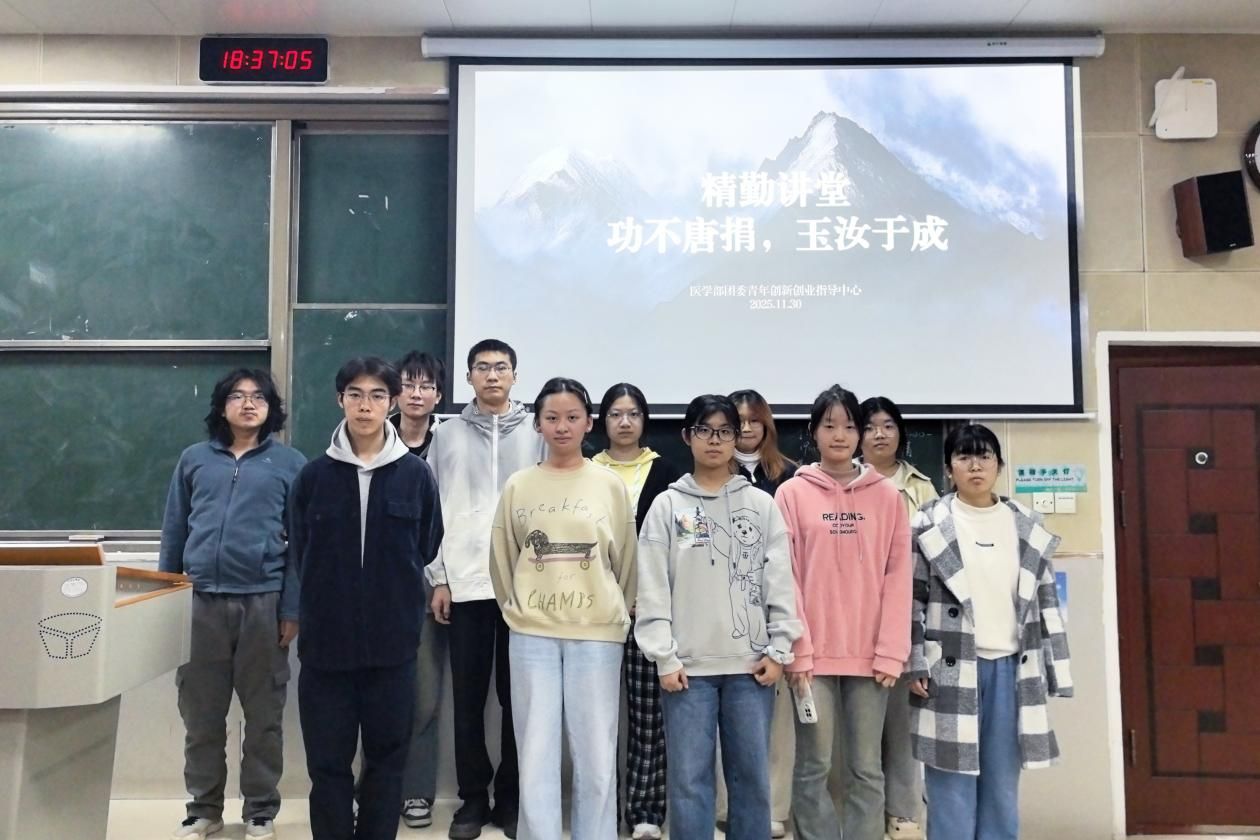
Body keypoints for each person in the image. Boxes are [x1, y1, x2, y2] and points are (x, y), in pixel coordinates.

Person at [287, 356, 444, 840]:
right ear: (341, 400)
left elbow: (428, 544)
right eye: (355, 394)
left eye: (377, 396)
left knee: (386, 763)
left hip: (392, 650)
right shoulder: (313, 478)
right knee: (327, 765)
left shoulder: (415, 476)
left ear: (391, 403)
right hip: (326, 650)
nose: (365, 405)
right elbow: (300, 550)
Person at [634, 394, 801, 840]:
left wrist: (780, 649)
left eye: (724, 431)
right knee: (689, 781)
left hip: (751, 668)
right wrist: (664, 656)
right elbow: (652, 587)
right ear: (687, 436)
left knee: (751, 779)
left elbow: (780, 580)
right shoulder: (668, 506)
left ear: (736, 437)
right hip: (687, 670)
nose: (715, 440)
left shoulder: (761, 505)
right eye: (704, 430)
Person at [160, 368, 307, 840]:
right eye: (237, 396)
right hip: (200, 603)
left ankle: (260, 810)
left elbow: (301, 547)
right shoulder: (194, 460)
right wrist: (168, 597)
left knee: (264, 719)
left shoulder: (291, 464)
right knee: (201, 717)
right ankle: (203, 808)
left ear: (270, 408)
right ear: (221, 406)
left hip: (263, 603)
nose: (248, 404)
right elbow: (174, 531)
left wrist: (291, 609)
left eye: (258, 397)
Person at [907, 424, 1073, 840]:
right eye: (964, 457)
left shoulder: (1026, 524)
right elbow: (910, 598)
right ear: (949, 469)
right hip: (949, 667)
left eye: (984, 456)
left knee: (1002, 780)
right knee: (949, 780)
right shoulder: (928, 522)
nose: (975, 466)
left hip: (1011, 668)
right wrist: (914, 662)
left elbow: (1046, 600)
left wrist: (1057, 669)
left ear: (999, 465)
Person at [489, 377, 638, 840]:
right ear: (538, 424)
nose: (562, 426)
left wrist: (613, 613)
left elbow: (627, 563)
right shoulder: (519, 485)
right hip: (531, 634)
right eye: (551, 417)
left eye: (572, 417)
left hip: (597, 635)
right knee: (535, 750)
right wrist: (520, 610)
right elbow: (503, 560)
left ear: (589, 423)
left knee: (596, 753)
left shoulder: (609, 485)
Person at [776, 384, 911, 840]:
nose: (840, 435)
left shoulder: (888, 497)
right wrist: (797, 651)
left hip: (872, 658)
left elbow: (898, 577)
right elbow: (785, 576)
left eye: (850, 426)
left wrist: (891, 651)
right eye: (829, 425)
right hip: (811, 658)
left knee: (866, 769)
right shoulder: (791, 494)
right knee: (812, 766)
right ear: (813, 431)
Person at [426, 339, 543, 840]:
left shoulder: (538, 433)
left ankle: (512, 799)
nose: (492, 375)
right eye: (482, 368)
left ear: (515, 375)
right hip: (465, 585)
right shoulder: (446, 434)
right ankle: (472, 799)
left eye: (501, 367)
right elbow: (432, 509)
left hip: (526, 590)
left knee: (519, 700)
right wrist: (439, 577)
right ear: (468, 376)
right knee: (468, 701)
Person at [591, 383, 682, 840]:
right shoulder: (586, 470)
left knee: (649, 719)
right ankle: (600, 811)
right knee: (598, 719)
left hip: (649, 611)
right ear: (602, 421)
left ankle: (646, 811)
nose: (624, 422)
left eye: (632, 413)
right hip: (595, 613)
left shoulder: (668, 472)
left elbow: (682, 545)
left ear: (644, 420)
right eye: (615, 414)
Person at [720, 388, 799, 838]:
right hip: (725, 612)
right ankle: (726, 806)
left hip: (775, 610)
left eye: (755, 420)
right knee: (727, 722)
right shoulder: (711, 472)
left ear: (767, 424)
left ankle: (773, 808)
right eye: (739, 421)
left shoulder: (791, 477)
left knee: (777, 724)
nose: (747, 428)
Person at [859, 396, 938, 840]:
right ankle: (863, 815)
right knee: (858, 732)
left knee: (903, 726)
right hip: (854, 618)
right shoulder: (841, 483)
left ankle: (904, 813)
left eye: (888, 425)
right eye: (870, 426)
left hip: (906, 618)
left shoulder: (921, 489)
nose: (880, 434)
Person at [393, 350, 448, 830]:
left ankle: (416, 792)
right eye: (408, 384)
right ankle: (374, 787)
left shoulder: (451, 444)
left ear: (439, 394)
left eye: (425, 385)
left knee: (425, 699)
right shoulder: (373, 440)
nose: (416, 393)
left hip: (433, 589)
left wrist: (442, 578)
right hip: (380, 591)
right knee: (376, 694)